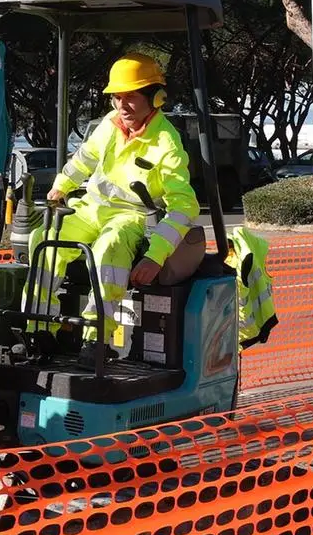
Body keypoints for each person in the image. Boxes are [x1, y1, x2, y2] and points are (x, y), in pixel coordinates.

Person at [27, 54, 201, 337]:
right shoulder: (109, 124)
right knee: (44, 239)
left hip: (130, 216)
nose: (122, 105)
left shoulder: (166, 143)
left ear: (156, 97)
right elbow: (84, 159)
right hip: (91, 208)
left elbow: (185, 206)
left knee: (108, 248)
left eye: (130, 97)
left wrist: (155, 257)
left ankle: (96, 339)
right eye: (117, 98)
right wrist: (61, 186)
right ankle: (38, 329)